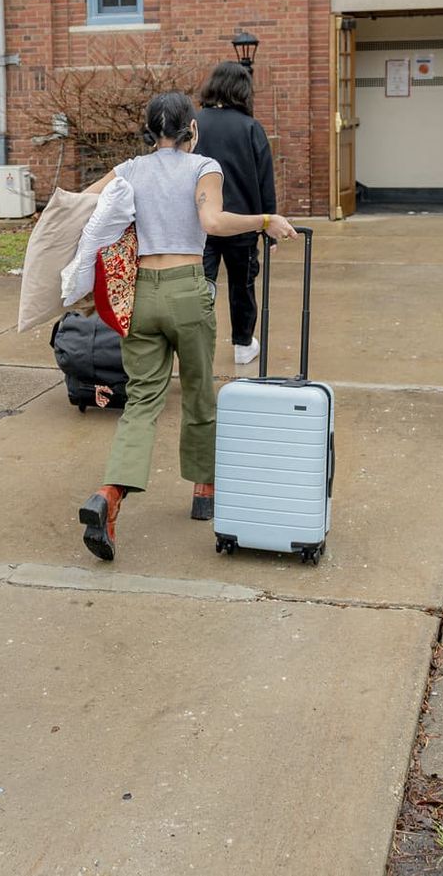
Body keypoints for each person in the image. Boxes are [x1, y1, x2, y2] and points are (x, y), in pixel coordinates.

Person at [76, 92, 297, 562]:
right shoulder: (203, 167)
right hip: (185, 289)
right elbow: (212, 221)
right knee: (199, 391)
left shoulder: (131, 169)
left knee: (141, 402)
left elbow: (84, 204)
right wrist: (266, 219)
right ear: (191, 129)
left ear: (150, 132)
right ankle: (203, 490)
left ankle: (110, 494)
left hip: (140, 292)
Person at [195, 61, 277, 368]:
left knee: (201, 285)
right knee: (242, 284)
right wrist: (269, 221)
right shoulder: (250, 128)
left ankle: (197, 346)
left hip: (202, 221)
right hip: (242, 223)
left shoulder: (195, 124)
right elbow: (265, 178)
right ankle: (243, 343)